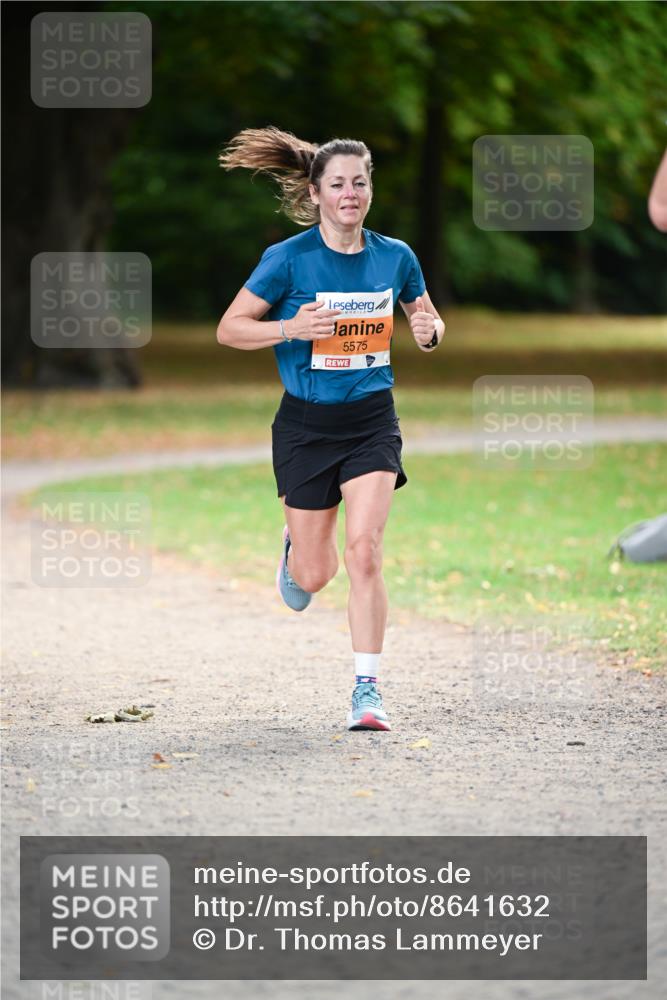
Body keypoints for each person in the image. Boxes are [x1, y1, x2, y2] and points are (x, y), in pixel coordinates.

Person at [216, 126, 445, 732]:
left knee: (365, 551)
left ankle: (367, 690)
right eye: (338, 184)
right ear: (316, 192)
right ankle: (296, 553)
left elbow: (424, 313)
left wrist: (429, 330)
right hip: (306, 427)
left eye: (360, 183)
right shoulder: (287, 260)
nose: (351, 194)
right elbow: (230, 329)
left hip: (372, 419)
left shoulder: (396, 256)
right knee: (316, 576)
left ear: (370, 190)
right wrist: (292, 329)